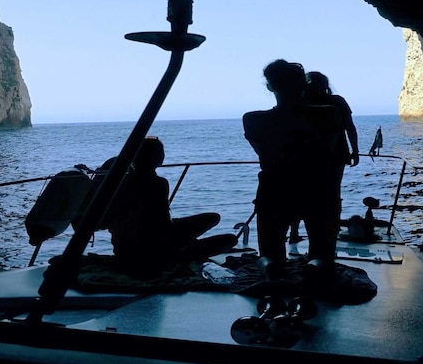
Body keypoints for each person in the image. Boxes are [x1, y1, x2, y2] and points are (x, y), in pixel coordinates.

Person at [242, 60, 343, 279]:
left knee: (269, 252)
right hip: (318, 186)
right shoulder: (328, 114)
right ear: (303, 85)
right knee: (323, 253)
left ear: (270, 86)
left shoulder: (252, 120)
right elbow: (330, 150)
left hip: (274, 187)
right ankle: (315, 267)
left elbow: (262, 152)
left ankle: (270, 267)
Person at [105, 136, 238, 279]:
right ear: (156, 157)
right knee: (229, 239)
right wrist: (181, 241)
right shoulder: (158, 184)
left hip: (124, 250)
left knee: (213, 218)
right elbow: (163, 225)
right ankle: (181, 255)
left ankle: (181, 250)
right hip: (156, 249)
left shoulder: (122, 182)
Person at [288, 71, 361, 243]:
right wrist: (355, 151)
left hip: (304, 156)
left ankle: (294, 233)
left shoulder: (299, 103)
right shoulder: (337, 102)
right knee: (332, 193)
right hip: (336, 154)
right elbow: (350, 127)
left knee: (299, 193)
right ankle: (331, 230)